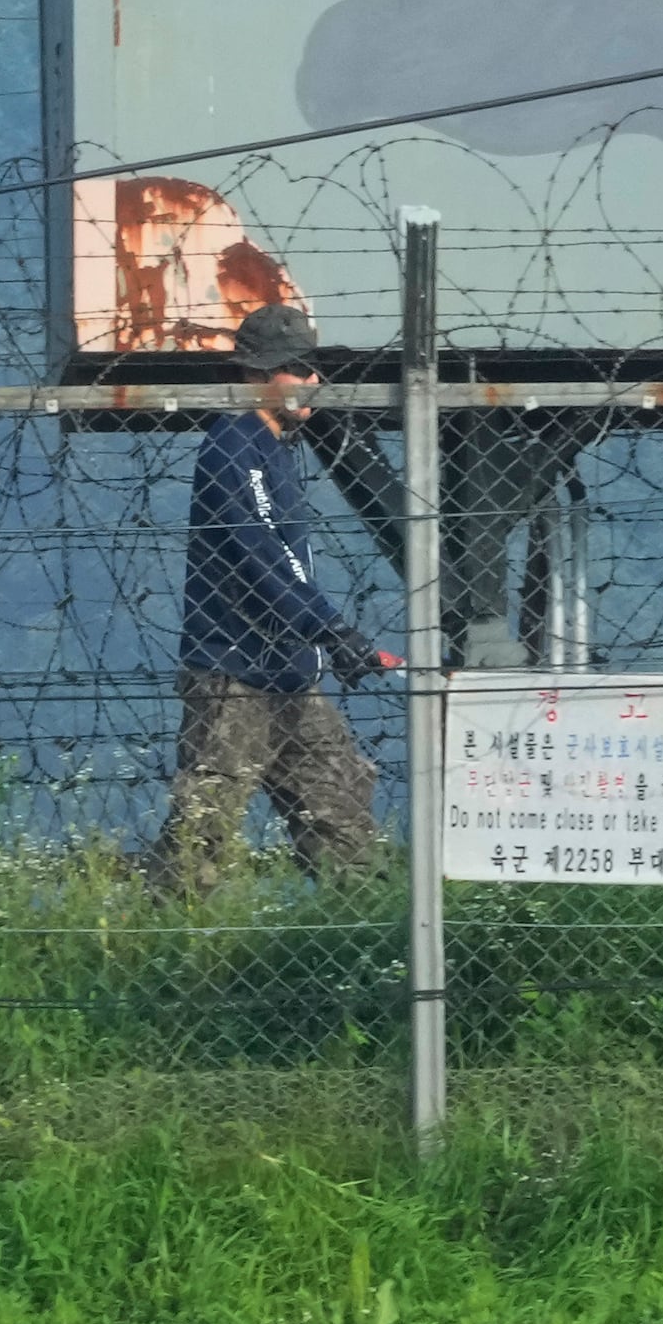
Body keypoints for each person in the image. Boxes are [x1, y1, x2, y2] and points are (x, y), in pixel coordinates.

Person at [155, 301, 396, 893]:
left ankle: (368, 942)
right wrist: (332, 630)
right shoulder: (236, 447)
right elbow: (263, 557)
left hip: (289, 675)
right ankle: (162, 949)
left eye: (313, 367)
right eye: (297, 367)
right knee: (199, 841)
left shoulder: (273, 450)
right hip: (235, 680)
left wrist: (319, 638)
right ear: (258, 374)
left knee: (346, 827)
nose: (313, 380)